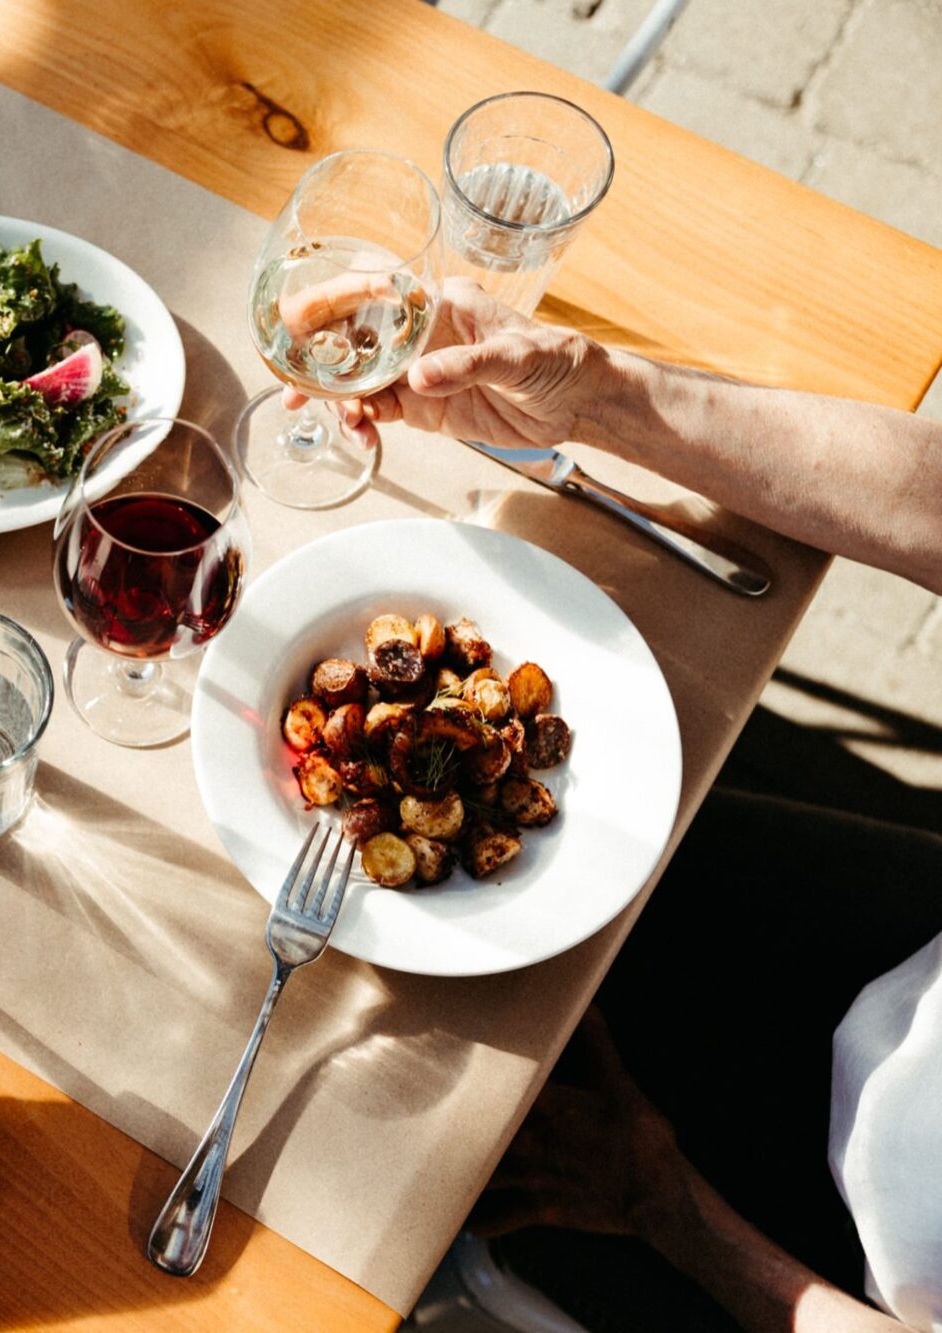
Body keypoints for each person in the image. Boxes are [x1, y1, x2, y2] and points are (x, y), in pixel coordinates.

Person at [308, 280, 941, 1332]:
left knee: (386, 1146)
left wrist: (664, 1206)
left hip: (813, 1258)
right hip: (905, 971)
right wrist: (593, 398)